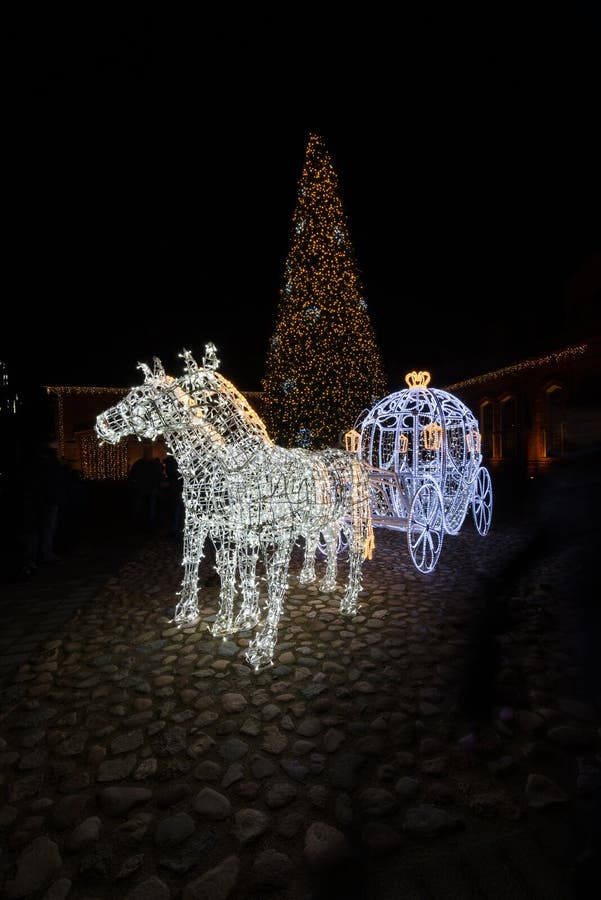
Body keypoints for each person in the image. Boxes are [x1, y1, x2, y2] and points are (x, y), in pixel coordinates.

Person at [127, 447, 164, 530]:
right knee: (143, 507)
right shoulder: (144, 464)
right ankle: (141, 524)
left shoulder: (147, 464)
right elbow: (133, 475)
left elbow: (159, 476)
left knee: (149, 508)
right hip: (144, 489)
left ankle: (146, 525)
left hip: (147, 489)